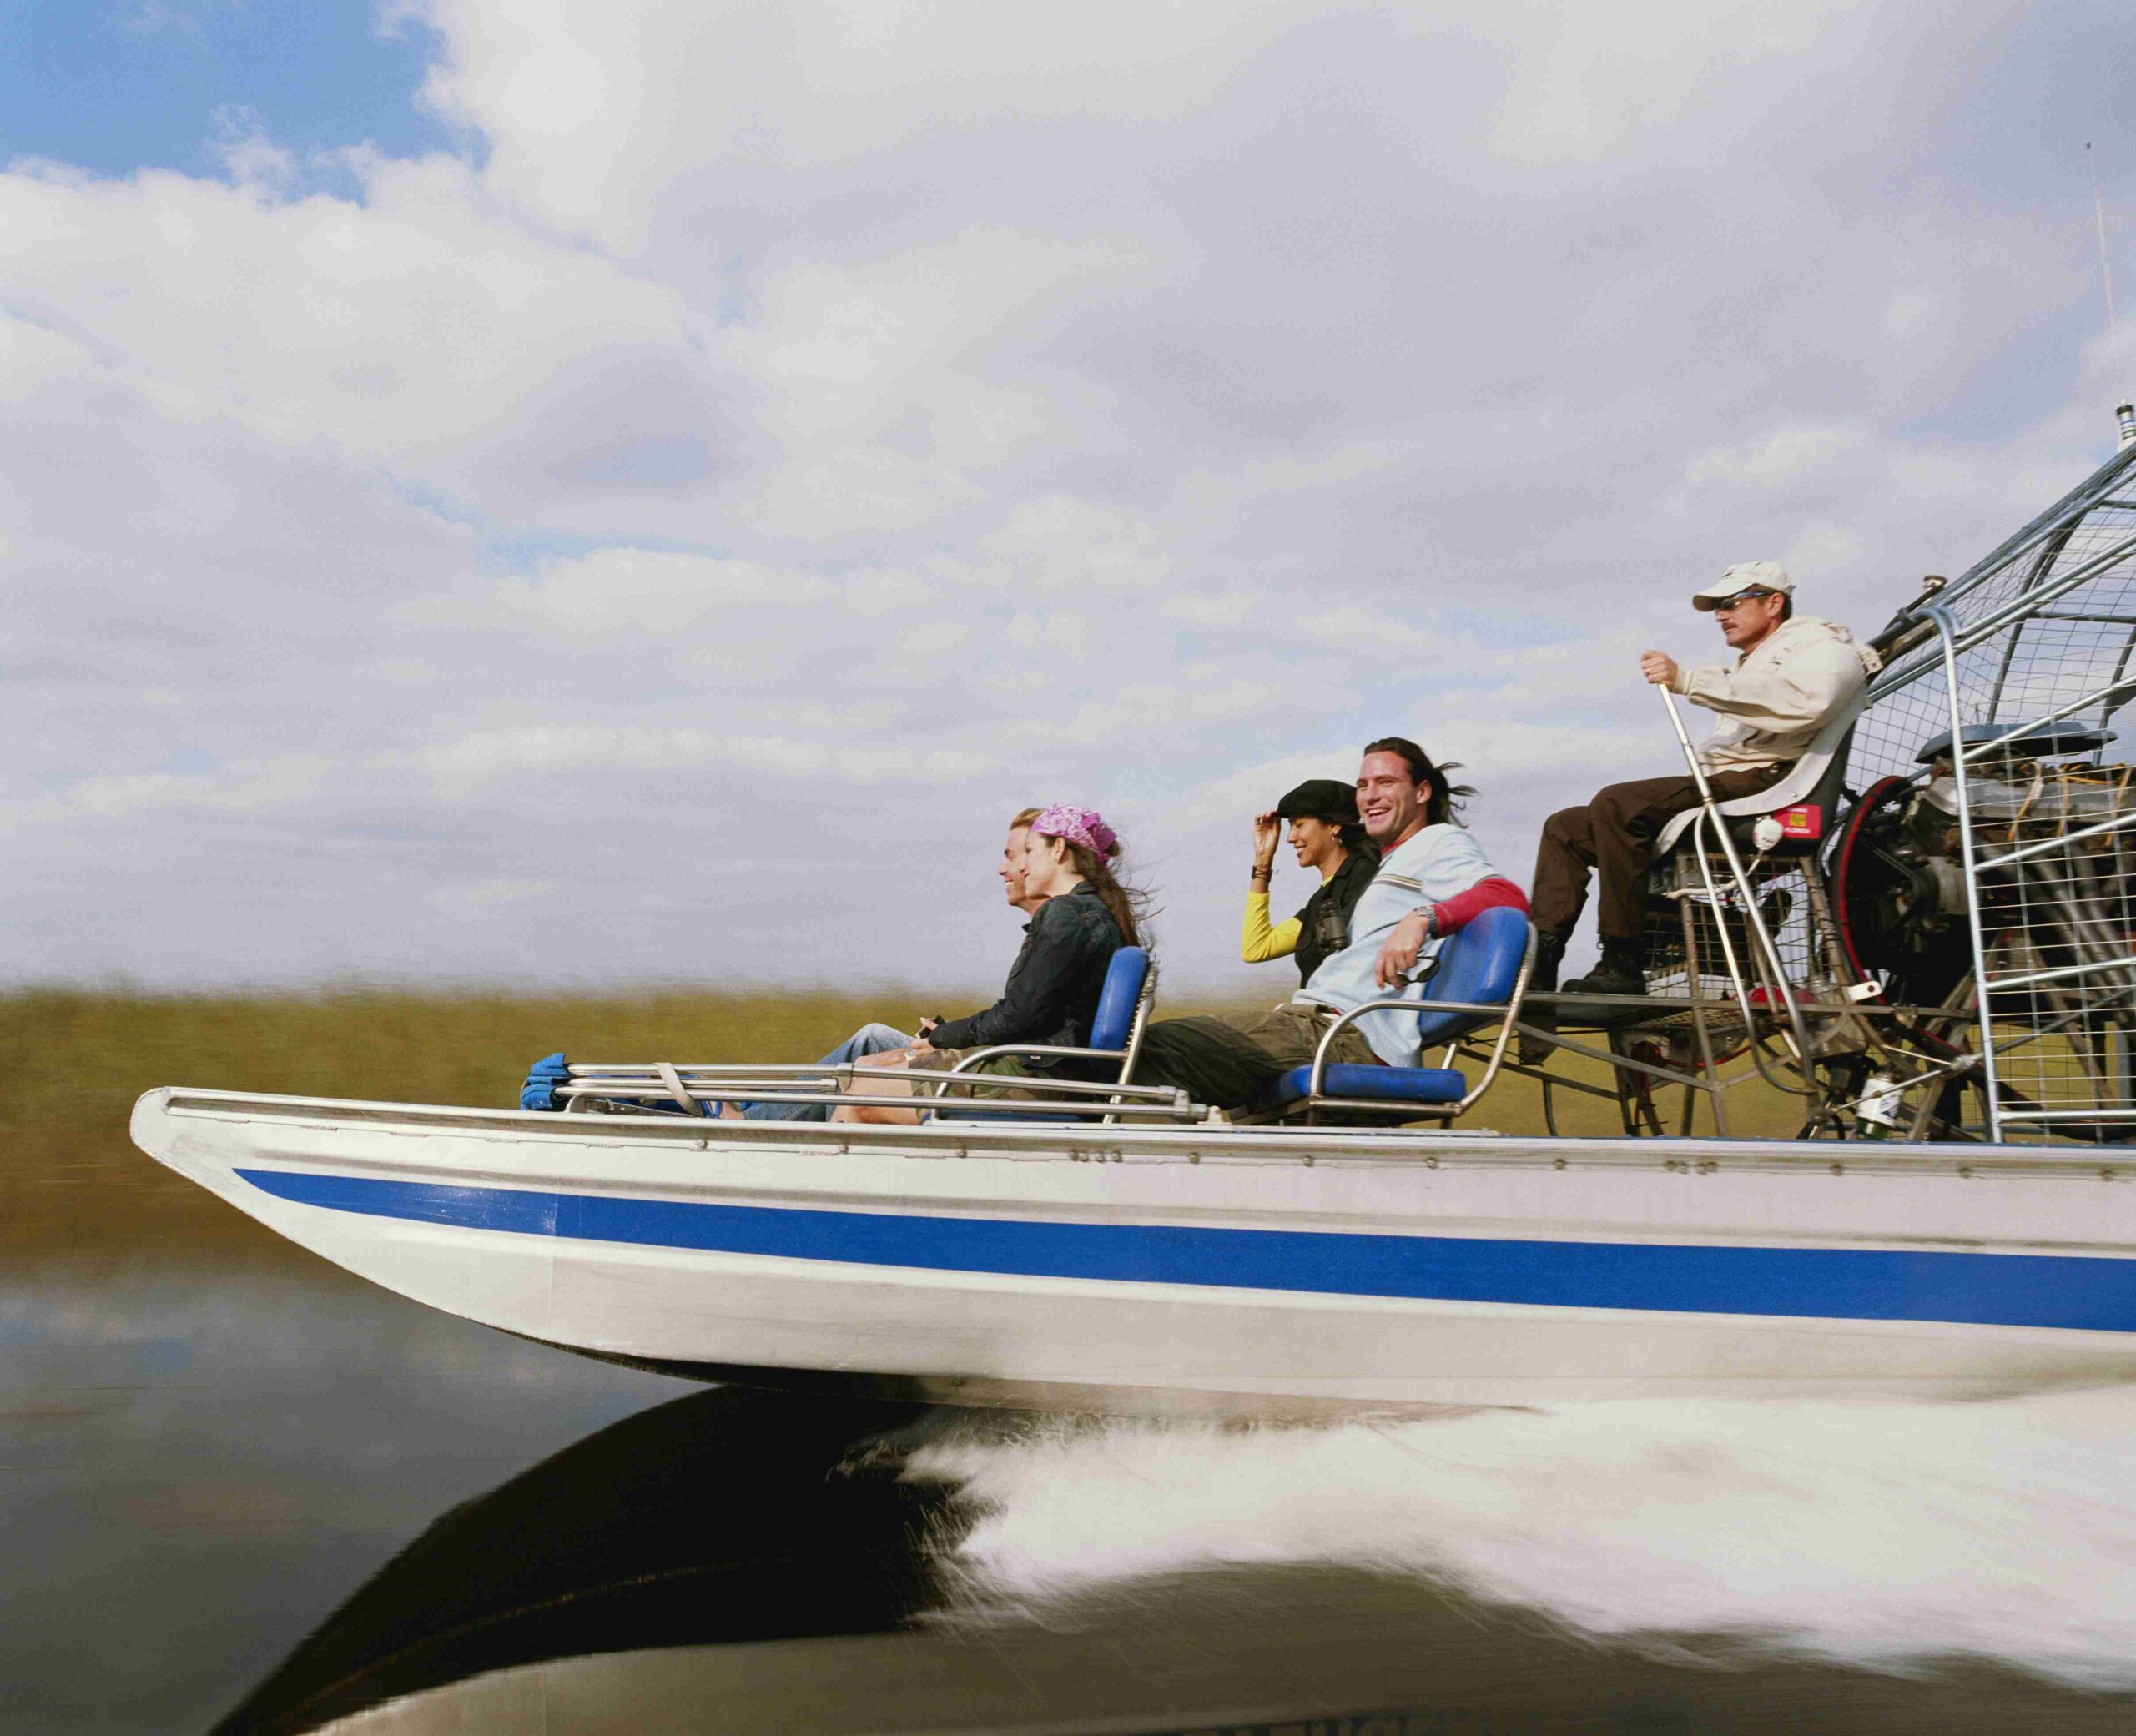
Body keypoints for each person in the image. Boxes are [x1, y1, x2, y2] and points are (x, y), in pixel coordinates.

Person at [1529, 562, 1882, 1003]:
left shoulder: (1822, 645)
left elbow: (1811, 702)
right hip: (1734, 777)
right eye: (1718, 606)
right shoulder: (1759, 659)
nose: (1720, 614)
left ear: (1774, 603)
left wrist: (1689, 681)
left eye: (1731, 603)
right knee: (1566, 827)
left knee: (1618, 805)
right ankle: (1538, 965)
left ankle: (1623, 960)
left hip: (1770, 782)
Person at [1131, 739, 1528, 1111]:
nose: (1370, 795)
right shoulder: (1392, 864)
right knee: (1142, 1055)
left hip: (1342, 1034)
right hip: (1313, 1022)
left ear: (1422, 792)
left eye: (1386, 782)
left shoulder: (1438, 842)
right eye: (1363, 785)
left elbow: (1506, 897)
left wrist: (1425, 918)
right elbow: (1256, 949)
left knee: (1141, 1052)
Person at [832, 804, 1144, 1125]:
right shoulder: (1100, 913)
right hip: (1056, 1074)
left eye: (1030, 851)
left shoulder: (1066, 914)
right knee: (869, 1067)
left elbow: (1019, 1016)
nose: (1023, 868)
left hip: (1035, 1078)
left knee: (859, 1093)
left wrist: (944, 1036)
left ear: (1059, 850)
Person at [736, 806, 1049, 1122]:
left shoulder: (1061, 930)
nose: (1002, 868)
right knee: (871, 1038)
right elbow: (1020, 1020)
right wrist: (947, 1035)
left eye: (1015, 855)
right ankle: (759, 1113)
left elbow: (1017, 1023)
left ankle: (752, 1123)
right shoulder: (1051, 929)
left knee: (859, 1075)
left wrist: (950, 1038)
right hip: (990, 1057)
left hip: (1000, 1070)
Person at [1243, 779, 1378, 985]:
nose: (1290, 838)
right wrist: (1263, 858)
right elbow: (1256, 948)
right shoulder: (1322, 898)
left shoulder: (1366, 877)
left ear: (1334, 826)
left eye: (1299, 825)